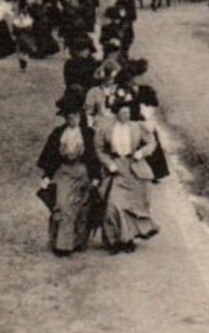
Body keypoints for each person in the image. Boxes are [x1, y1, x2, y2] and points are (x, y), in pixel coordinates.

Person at [37, 103, 102, 256]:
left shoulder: (88, 133)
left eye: (77, 117)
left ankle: (78, 241)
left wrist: (95, 177)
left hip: (83, 172)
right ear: (66, 118)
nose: (74, 120)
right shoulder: (58, 133)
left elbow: (94, 157)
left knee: (81, 207)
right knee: (63, 205)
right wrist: (47, 175)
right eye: (71, 117)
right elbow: (51, 156)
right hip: (64, 172)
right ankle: (62, 245)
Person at [96, 104, 161, 253]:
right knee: (112, 205)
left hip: (134, 168)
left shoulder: (137, 127)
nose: (126, 115)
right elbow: (99, 149)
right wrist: (109, 163)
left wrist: (142, 152)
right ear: (116, 114)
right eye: (123, 112)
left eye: (128, 112)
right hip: (116, 168)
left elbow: (152, 142)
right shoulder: (107, 129)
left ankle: (128, 240)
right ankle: (113, 241)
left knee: (131, 207)